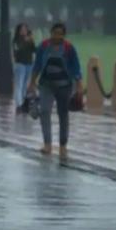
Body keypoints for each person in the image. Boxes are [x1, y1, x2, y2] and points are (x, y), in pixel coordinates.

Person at [28, 22, 83, 157]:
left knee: (63, 114)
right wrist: (32, 82)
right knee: (45, 111)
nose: (57, 37)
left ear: (64, 35)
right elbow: (37, 65)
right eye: (55, 33)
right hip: (46, 85)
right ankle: (47, 144)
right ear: (51, 33)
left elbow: (76, 67)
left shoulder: (69, 48)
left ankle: (63, 145)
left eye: (60, 34)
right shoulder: (44, 46)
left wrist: (79, 84)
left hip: (64, 86)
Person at [13, 23, 36, 113]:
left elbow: (34, 49)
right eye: (22, 29)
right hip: (20, 64)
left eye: (25, 29)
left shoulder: (30, 39)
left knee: (25, 85)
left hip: (29, 64)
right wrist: (25, 41)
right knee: (19, 84)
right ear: (19, 31)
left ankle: (23, 103)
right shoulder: (16, 40)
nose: (24, 31)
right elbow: (17, 50)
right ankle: (19, 105)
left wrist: (32, 41)